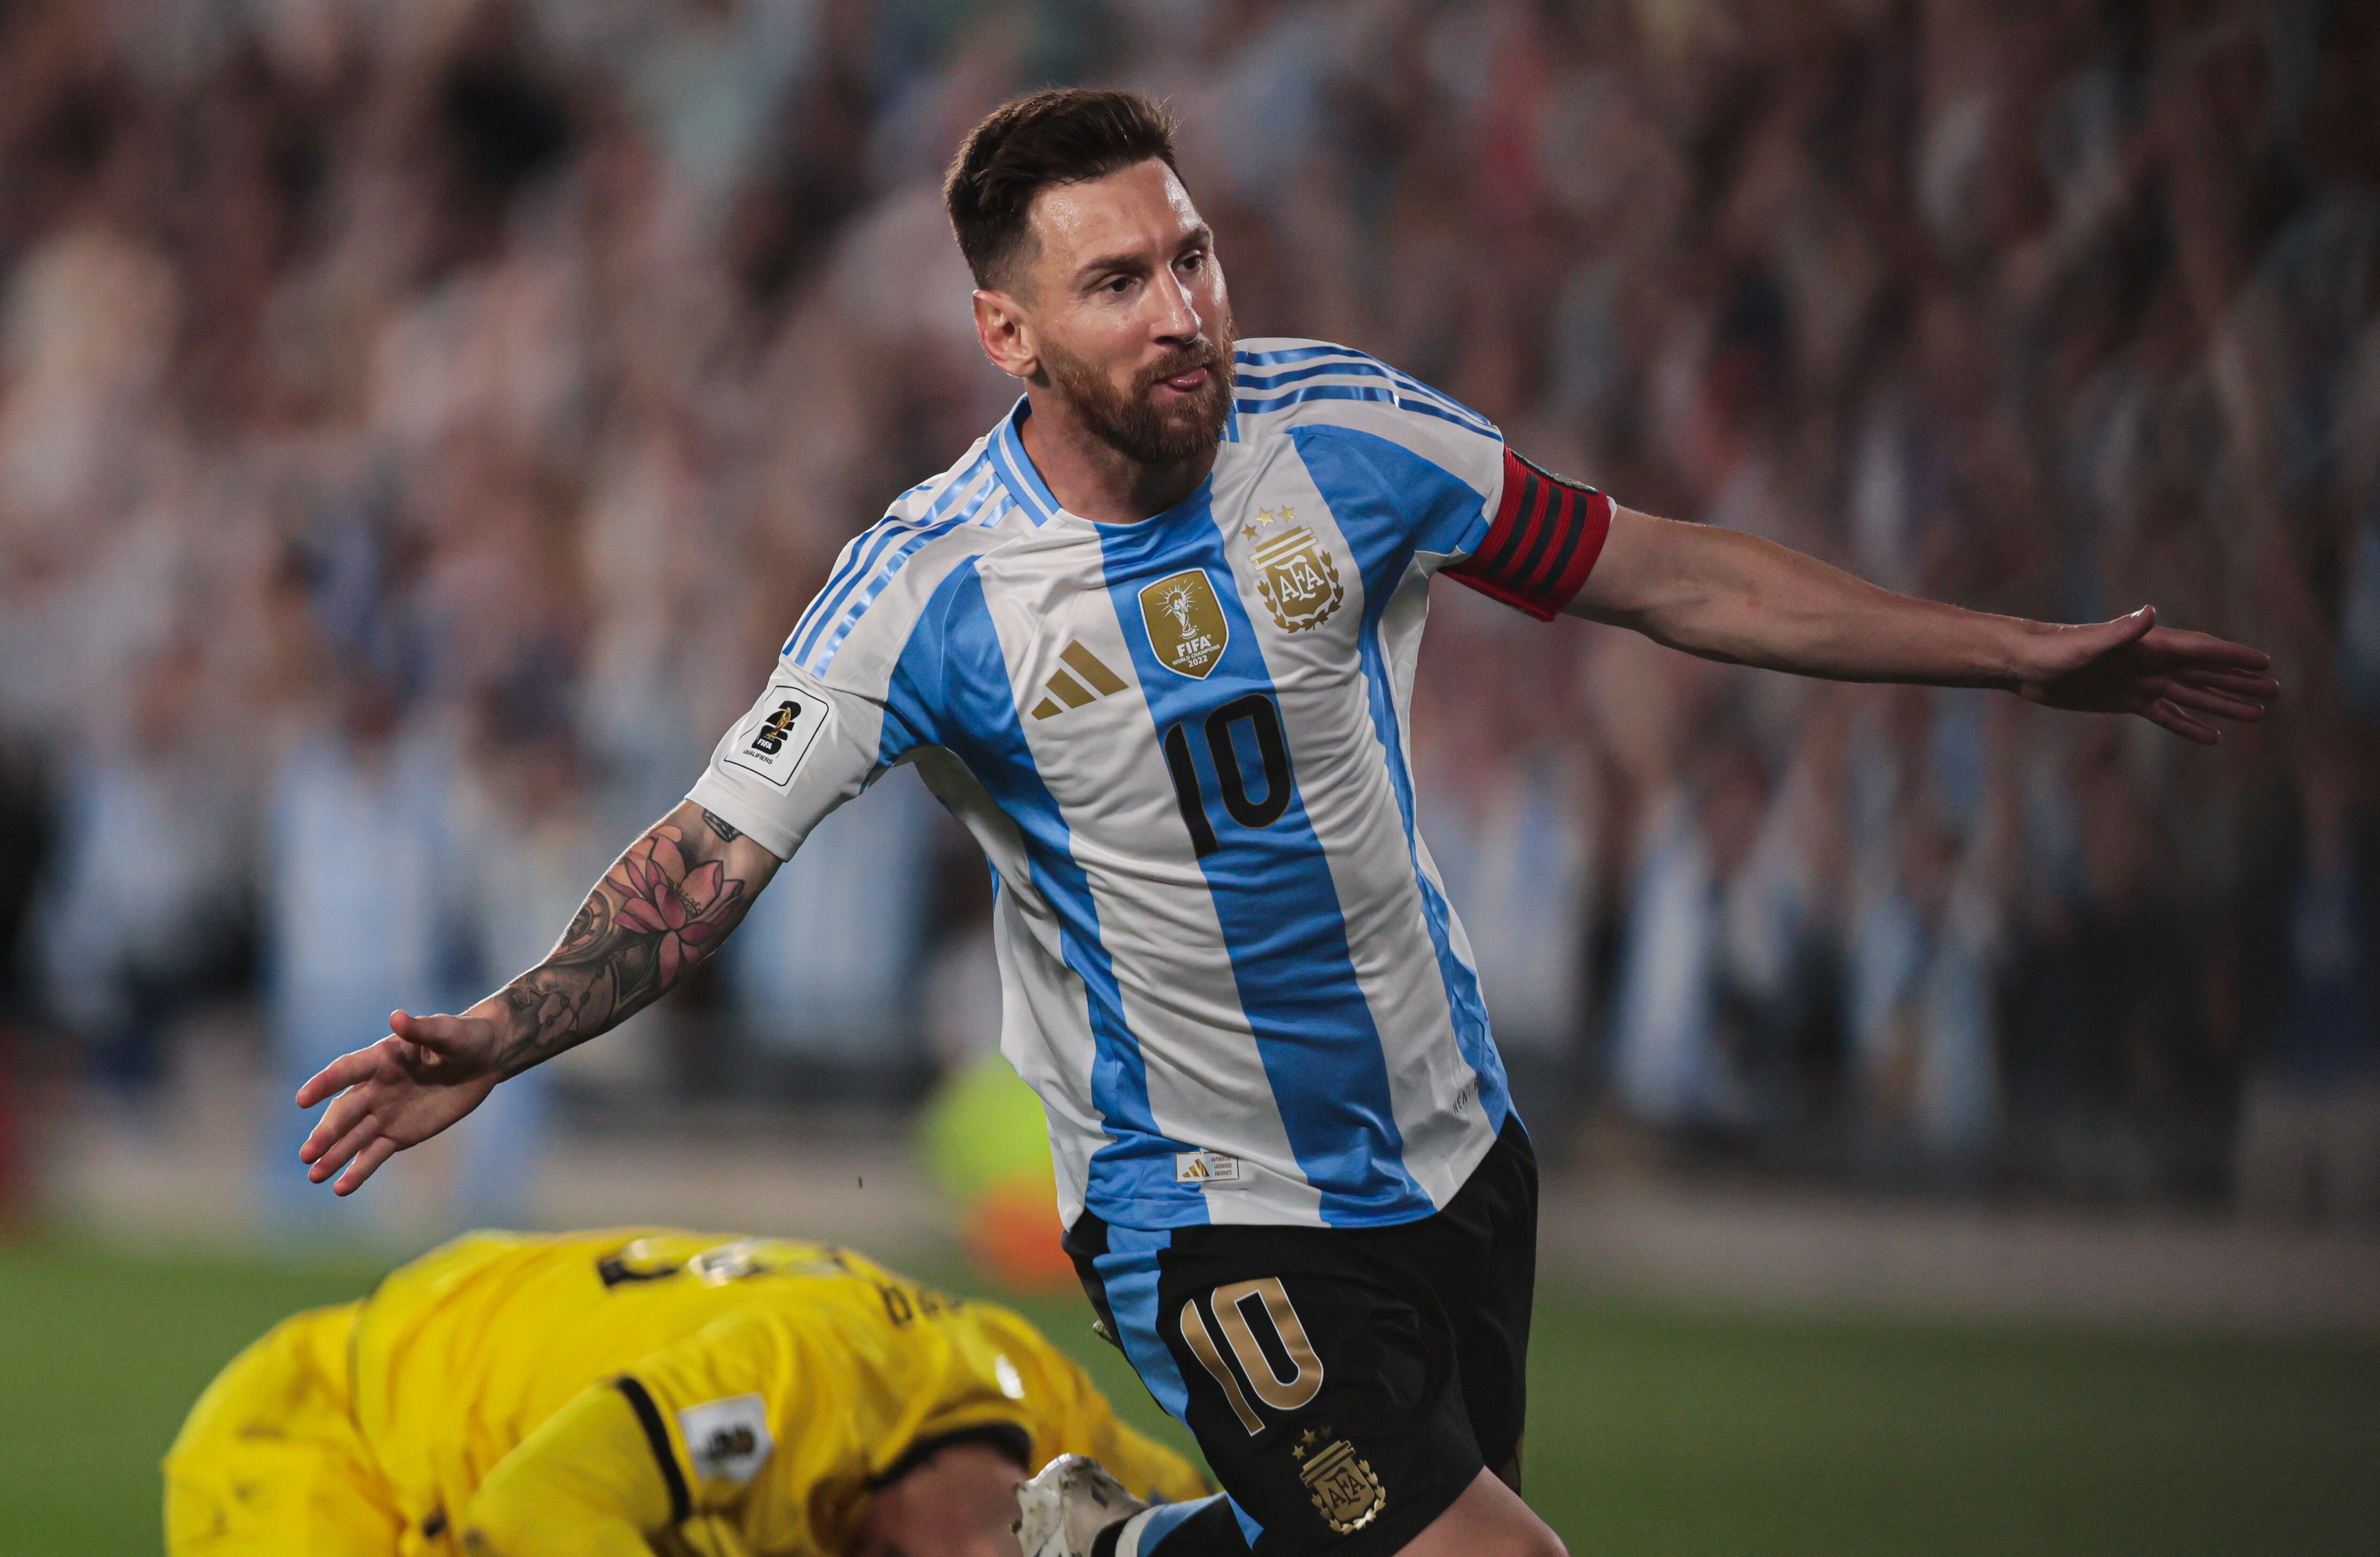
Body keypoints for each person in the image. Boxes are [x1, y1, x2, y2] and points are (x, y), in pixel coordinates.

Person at [292, 90, 2278, 1557]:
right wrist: (504, 1026)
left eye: (1190, 256)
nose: (1179, 310)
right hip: (1205, 1216)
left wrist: (2008, 656)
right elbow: (702, 868)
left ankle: (1112, 1546)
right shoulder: (928, 591)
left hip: (1450, 1154)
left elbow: (1663, 573)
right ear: (1007, 337)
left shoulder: (1344, 435)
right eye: (1115, 282)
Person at [163, 1228, 1204, 1556]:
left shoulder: (1054, 1410)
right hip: (332, 1437)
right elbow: (528, 1516)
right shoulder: (791, 1386)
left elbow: (1223, 1522)